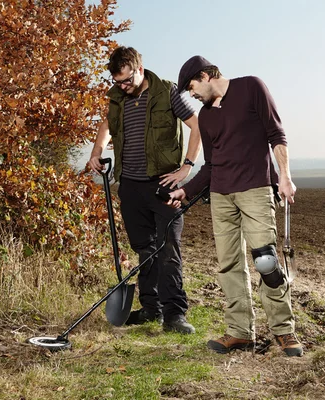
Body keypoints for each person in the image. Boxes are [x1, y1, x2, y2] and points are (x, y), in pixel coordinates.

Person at [165, 56, 303, 356]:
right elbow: (211, 165)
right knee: (229, 265)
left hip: (255, 189)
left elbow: (276, 135)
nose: (192, 95)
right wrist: (185, 192)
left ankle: (284, 331)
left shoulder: (251, 87)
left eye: (191, 87)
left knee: (266, 262)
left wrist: (285, 177)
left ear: (205, 75)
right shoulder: (205, 116)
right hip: (221, 197)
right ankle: (240, 332)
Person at [87, 47, 201, 334]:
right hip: (130, 186)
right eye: (117, 82)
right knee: (145, 250)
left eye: (126, 80)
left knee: (168, 248)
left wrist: (187, 166)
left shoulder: (166, 92)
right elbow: (106, 125)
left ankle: (174, 314)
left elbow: (196, 125)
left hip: (163, 184)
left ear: (139, 69)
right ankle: (152, 309)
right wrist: (96, 151)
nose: (122, 87)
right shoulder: (117, 97)